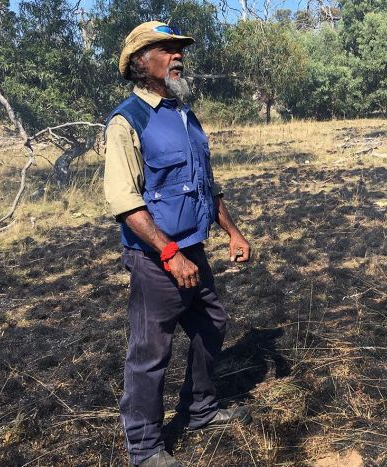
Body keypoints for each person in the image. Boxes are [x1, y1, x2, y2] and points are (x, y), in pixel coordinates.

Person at [103, 21, 252, 467]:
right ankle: (145, 448)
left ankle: (201, 409)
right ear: (138, 64)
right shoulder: (127, 120)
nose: (176, 55)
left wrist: (233, 230)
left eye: (177, 49)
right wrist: (168, 254)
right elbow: (123, 200)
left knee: (212, 324)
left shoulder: (185, 115)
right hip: (154, 258)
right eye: (165, 49)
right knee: (151, 352)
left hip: (192, 250)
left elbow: (204, 184)